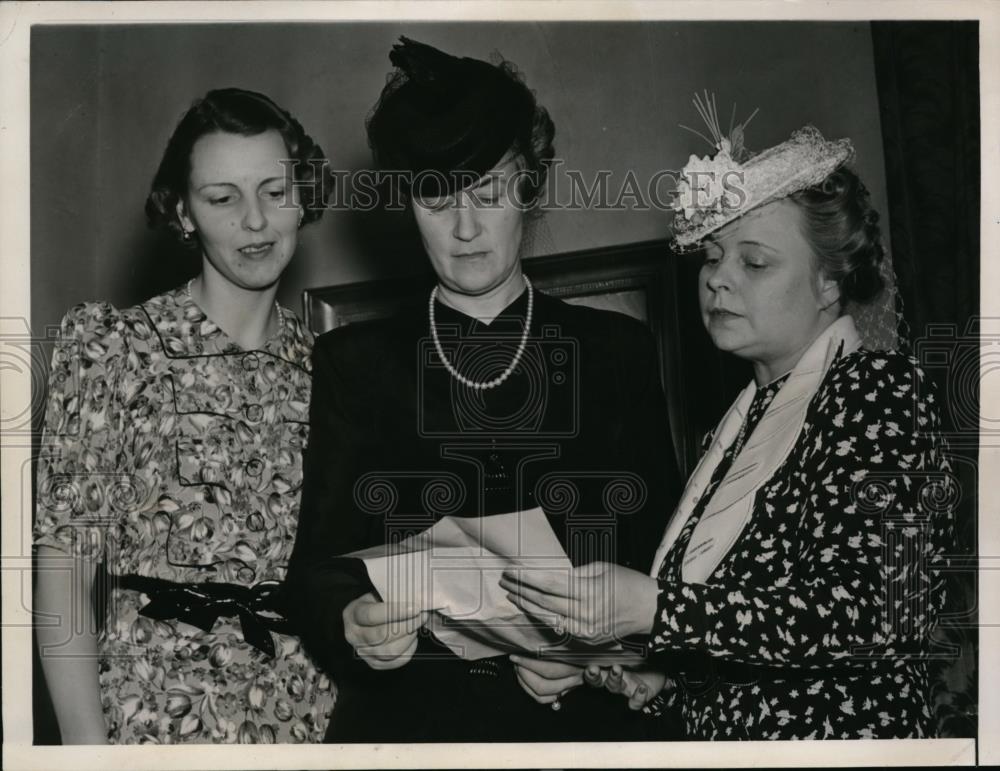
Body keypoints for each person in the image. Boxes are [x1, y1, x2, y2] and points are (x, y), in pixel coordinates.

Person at [283, 37, 682, 742]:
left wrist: (607, 651)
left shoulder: (615, 353)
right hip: (412, 724)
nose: (465, 229)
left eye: (488, 193)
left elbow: (664, 562)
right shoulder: (355, 363)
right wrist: (353, 620)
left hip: (585, 723)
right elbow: (319, 566)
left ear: (528, 185)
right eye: (436, 199)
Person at [502, 124, 955, 739]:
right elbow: (748, 638)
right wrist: (652, 673)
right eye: (713, 257)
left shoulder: (879, 390)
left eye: (756, 261)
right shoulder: (743, 421)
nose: (718, 279)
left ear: (831, 281)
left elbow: (887, 614)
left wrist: (658, 610)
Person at [33, 88, 336, 744]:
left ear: (303, 195)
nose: (255, 222)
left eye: (274, 192)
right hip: (151, 718)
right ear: (182, 210)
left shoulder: (331, 370)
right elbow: (63, 580)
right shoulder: (111, 346)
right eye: (223, 198)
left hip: (306, 720)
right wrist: (87, 758)